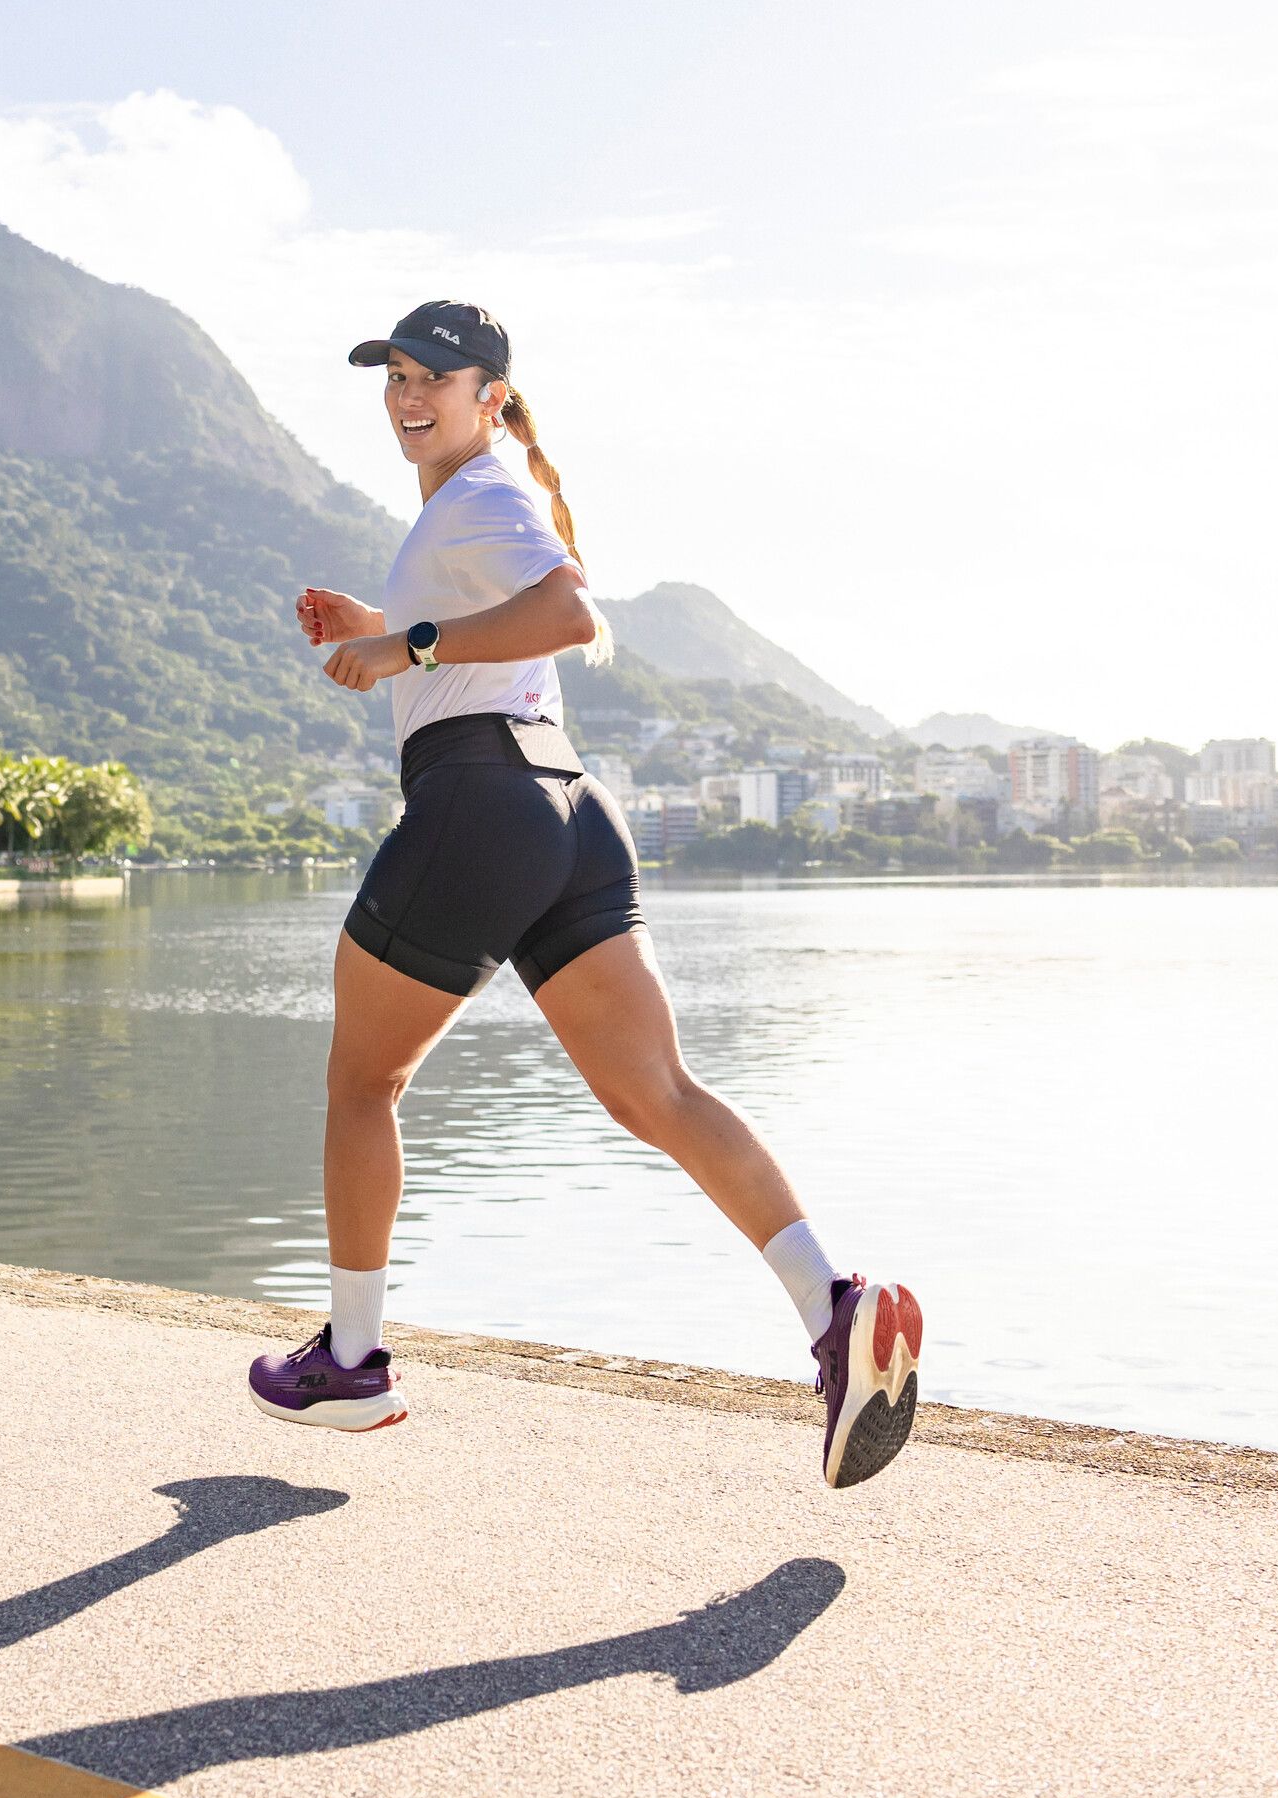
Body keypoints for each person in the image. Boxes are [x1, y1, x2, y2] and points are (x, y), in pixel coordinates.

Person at [245, 298, 923, 1489]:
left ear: (491, 396)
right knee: (656, 1091)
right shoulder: (468, 504)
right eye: (395, 375)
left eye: (435, 379)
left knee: (364, 1080)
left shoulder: (484, 490)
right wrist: (387, 626)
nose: (408, 396)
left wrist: (404, 647)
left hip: (481, 804)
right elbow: (505, 634)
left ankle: (352, 1359)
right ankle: (835, 1306)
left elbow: (570, 612)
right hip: (569, 809)